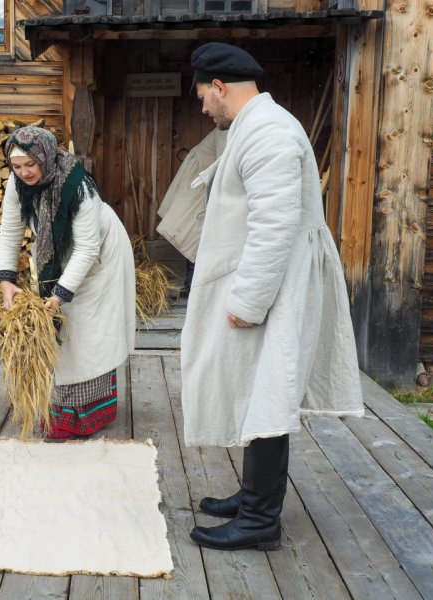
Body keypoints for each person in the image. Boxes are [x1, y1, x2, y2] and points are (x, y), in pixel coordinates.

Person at [181, 42, 364, 551]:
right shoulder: (257, 125)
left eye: (203, 97)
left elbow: (274, 226)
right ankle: (253, 498)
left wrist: (248, 301)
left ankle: (260, 520)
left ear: (220, 87)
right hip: (270, 282)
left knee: (267, 391)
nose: (203, 108)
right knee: (260, 387)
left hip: (276, 286)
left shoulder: (269, 132)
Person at [0, 126, 136, 441]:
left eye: (30, 164)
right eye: (16, 166)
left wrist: (58, 297)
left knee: (86, 329)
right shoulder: (17, 184)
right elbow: (10, 230)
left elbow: (87, 249)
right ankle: (60, 411)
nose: (24, 172)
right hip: (58, 252)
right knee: (61, 328)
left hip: (100, 255)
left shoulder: (79, 188)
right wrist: (6, 280)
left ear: (45, 157)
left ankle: (86, 416)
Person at [157, 127, 228, 294]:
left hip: (205, 182)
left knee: (197, 233)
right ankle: (193, 286)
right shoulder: (225, 131)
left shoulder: (231, 128)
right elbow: (225, 165)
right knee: (195, 233)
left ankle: (194, 285)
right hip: (200, 183)